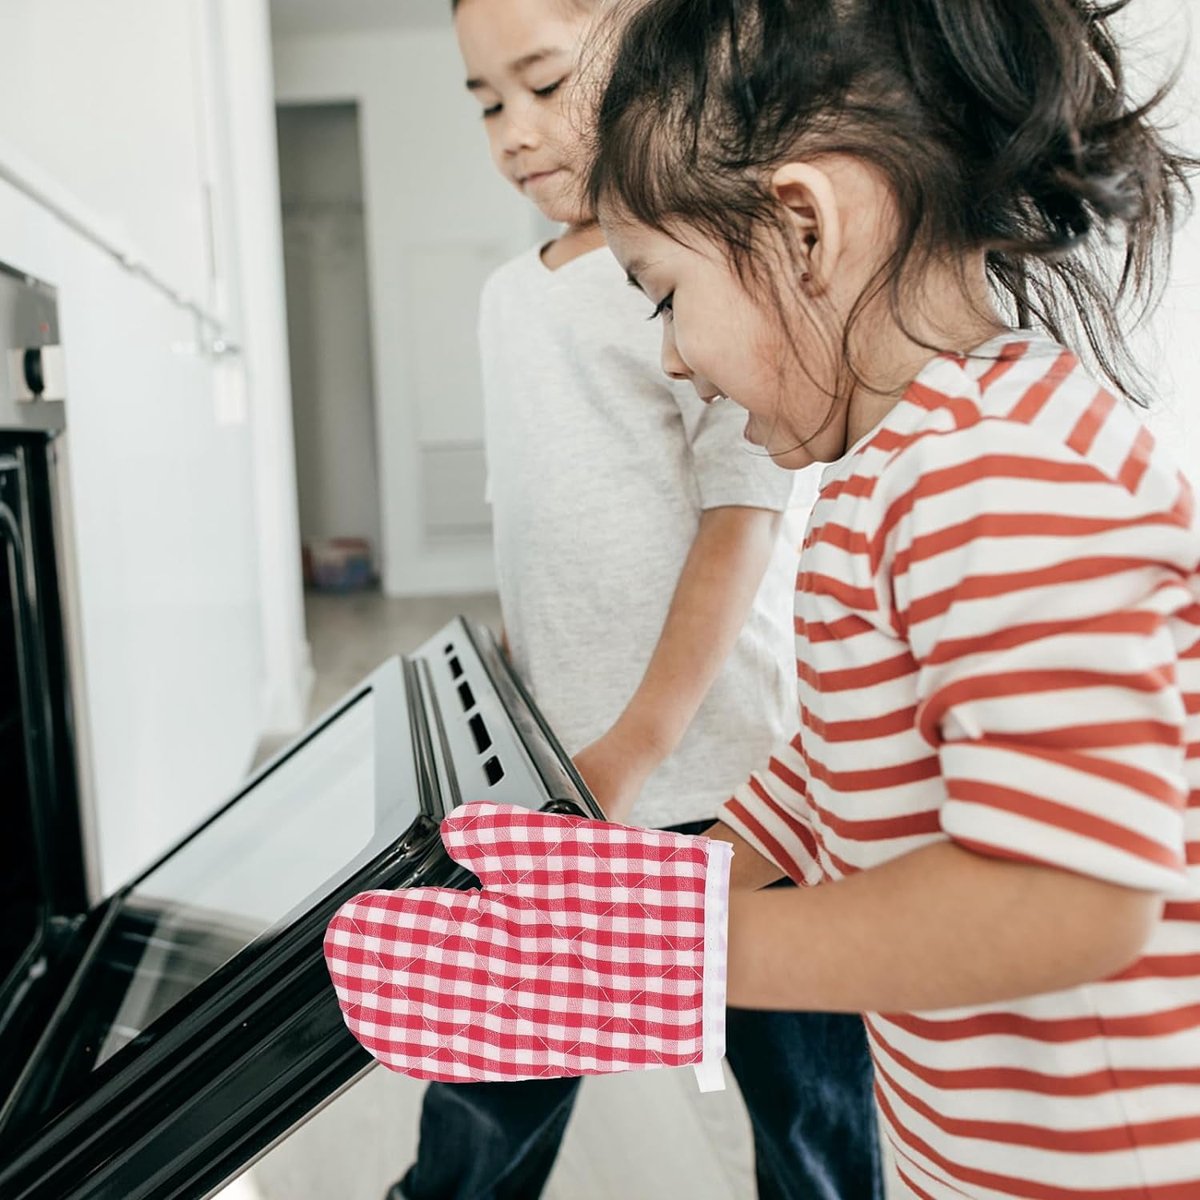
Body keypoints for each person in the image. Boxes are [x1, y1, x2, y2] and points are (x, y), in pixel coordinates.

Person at [586, 0, 1200, 1196]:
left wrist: (670, 949)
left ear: (803, 229)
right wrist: (671, 882)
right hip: (987, 1144)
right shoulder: (901, 470)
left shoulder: (997, 473)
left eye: (664, 293)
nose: (669, 354)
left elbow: (1065, 894)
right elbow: (838, 770)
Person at [383, 1, 884, 1198]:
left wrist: (641, 742)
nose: (514, 130)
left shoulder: (702, 269)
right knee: (492, 1043)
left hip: (724, 776)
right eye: (486, 101)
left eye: (545, 83)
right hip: (569, 774)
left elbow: (740, 522)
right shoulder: (511, 297)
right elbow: (539, 529)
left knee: (803, 1085)